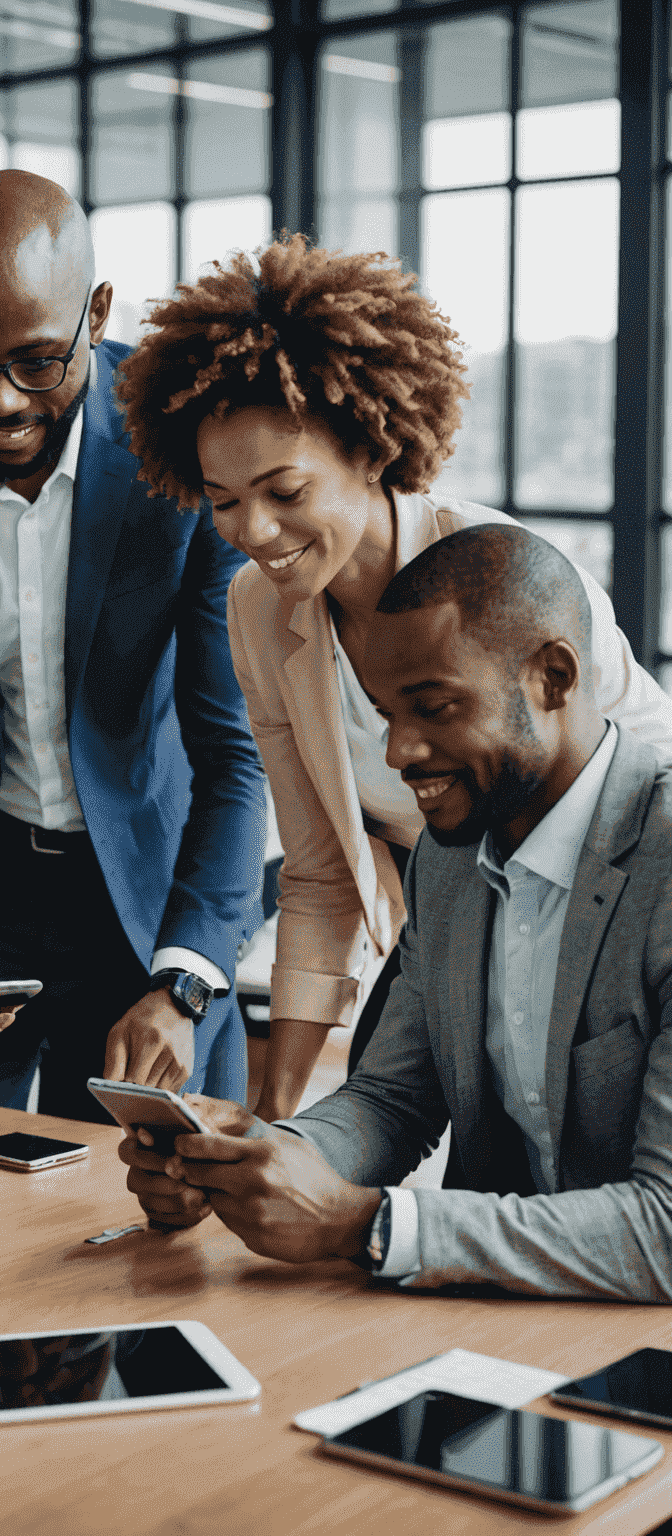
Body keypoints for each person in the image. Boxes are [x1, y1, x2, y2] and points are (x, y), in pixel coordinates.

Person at [114, 234, 672, 1121]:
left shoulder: (501, 577)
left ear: (371, 450)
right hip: (443, 924)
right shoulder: (258, 612)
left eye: (285, 491)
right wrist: (275, 1121)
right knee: (342, 1139)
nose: (254, 530)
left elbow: (637, 787)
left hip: (613, 909)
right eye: (223, 501)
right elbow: (321, 877)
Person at [121, 526, 672, 1302]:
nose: (398, 752)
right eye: (385, 714)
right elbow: (393, 1100)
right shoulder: (451, 855)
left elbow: (666, 1230)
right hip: (495, 1317)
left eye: (435, 708)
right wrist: (258, 1158)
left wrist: (363, 1224)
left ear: (553, 678)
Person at [0, 169, 267, 1122]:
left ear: (98, 313)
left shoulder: (183, 455)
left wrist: (187, 980)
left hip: (150, 903)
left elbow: (233, 752)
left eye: (38, 361)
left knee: (153, 1223)